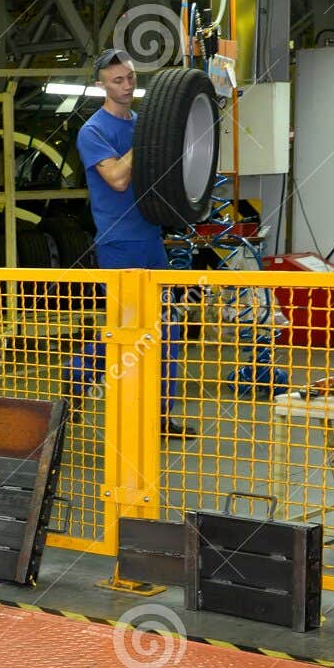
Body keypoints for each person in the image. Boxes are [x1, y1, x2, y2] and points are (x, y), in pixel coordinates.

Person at [69, 48, 193, 437]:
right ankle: (75, 380)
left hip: (151, 238)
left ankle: (159, 417)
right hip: (118, 244)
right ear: (101, 84)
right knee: (125, 331)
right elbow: (119, 179)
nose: (126, 86)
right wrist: (148, 139)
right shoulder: (94, 132)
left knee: (167, 329)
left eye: (131, 78)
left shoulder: (142, 122)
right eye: (117, 80)